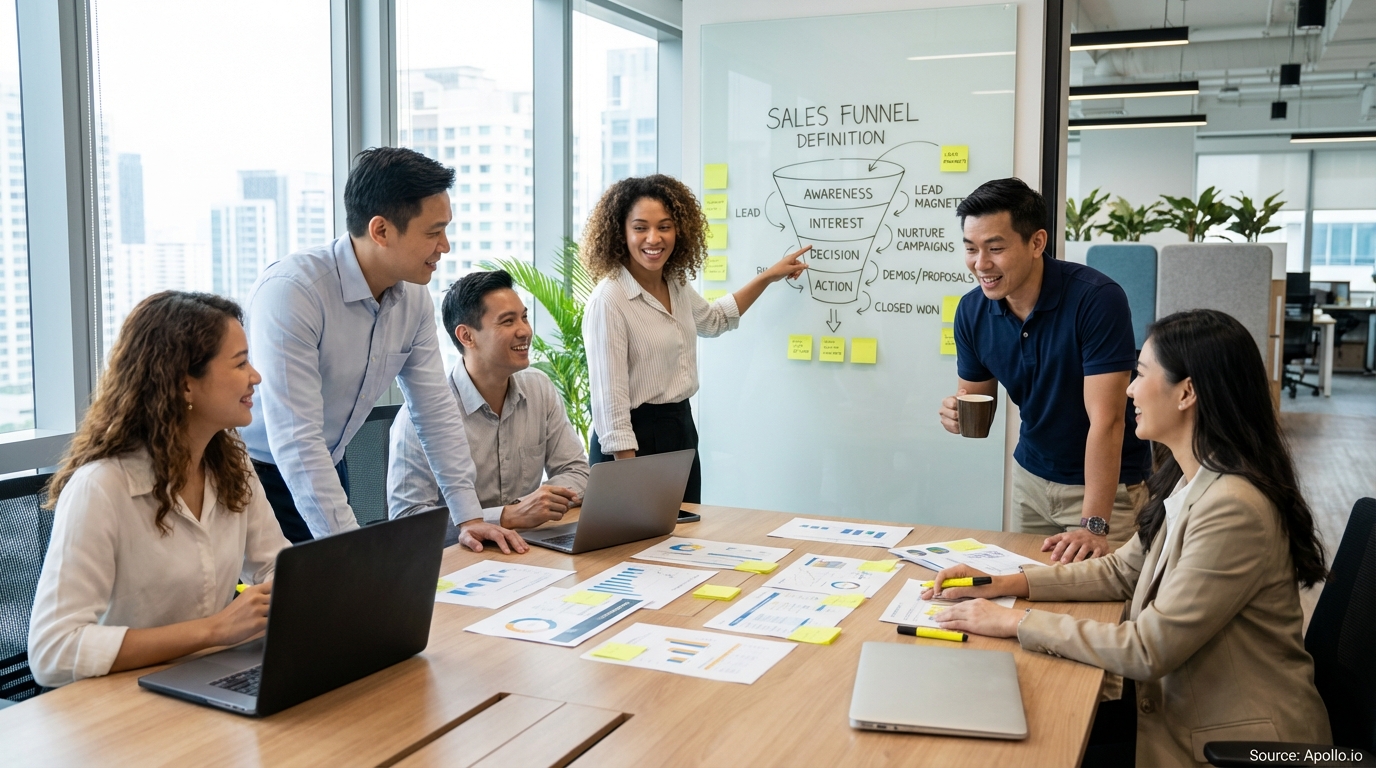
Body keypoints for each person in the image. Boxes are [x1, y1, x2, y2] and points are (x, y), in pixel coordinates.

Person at [926, 309, 1332, 768]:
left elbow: (1147, 648)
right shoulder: (1192, 477)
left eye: (1139, 374)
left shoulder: (1232, 507)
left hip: (1236, 746)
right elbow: (1123, 569)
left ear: (1187, 392)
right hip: (1180, 715)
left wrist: (1015, 623)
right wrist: (1006, 581)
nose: (1129, 389)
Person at [241, 147, 524, 554]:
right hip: (254, 474)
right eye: (433, 232)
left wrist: (469, 516)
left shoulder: (413, 299)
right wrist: (352, 550)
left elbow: (435, 411)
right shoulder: (294, 292)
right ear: (381, 231)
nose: (444, 246)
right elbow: (296, 440)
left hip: (327, 464)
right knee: (300, 603)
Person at [29, 292, 290, 688]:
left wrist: (300, 591)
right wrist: (214, 630)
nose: (255, 376)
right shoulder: (101, 488)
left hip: (205, 680)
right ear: (186, 385)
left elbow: (276, 566)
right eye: (240, 363)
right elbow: (53, 651)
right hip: (118, 707)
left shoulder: (231, 467)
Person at [938, 178, 1150, 562]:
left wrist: (1093, 524)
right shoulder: (971, 312)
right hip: (1030, 483)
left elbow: (1109, 421)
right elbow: (976, 410)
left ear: (1037, 242)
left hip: (1103, 491)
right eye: (971, 249)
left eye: (995, 248)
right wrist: (957, 413)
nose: (980, 264)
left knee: (1097, 611)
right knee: (1025, 596)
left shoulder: (1097, 300)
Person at [581, 174, 809, 503]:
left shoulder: (675, 282)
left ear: (679, 230)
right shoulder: (609, 300)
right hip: (630, 445)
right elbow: (610, 408)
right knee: (637, 550)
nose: (653, 238)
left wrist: (769, 277)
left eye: (665, 226)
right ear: (621, 232)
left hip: (679, 430)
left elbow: (714, 320)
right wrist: (629, 480)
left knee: (684, 543)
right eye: (641, 227)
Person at [388, 270, 590, 542]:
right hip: (457, 561)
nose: (525, 331)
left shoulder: (539, 388)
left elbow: (577, 472)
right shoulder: (421, 414)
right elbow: (406, 519)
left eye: (524, 317)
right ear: (467, 336)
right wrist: (504, 516)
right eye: (507, 321)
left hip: (528, 545)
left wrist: (536, 504)